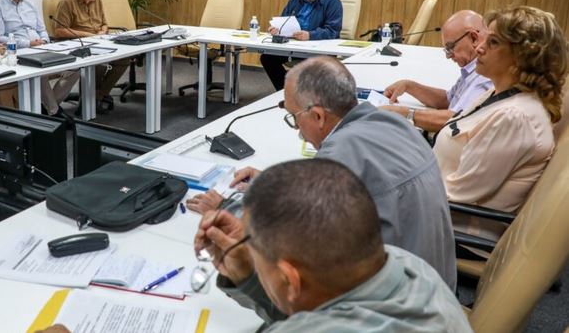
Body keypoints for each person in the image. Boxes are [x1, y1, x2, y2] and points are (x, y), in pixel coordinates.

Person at [187, 56, 456, 290]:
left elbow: (289, 236)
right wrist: (273, 183)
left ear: (317, 116)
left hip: (392, 309)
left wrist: (226, 208)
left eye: (294, 118)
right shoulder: (395, 123)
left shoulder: (339, 158)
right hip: (436, 292)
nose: (297, 130)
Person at [193, 159, 471, 332]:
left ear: (290, 278)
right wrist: (248, 274)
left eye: (256, 256)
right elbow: (311, 307)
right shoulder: (411, 266)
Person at [434, 6, 568, 243]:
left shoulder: (514, 118)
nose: (479, 47)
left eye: (493, 42)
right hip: (439, 209)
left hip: (454, 233)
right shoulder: (500, 93)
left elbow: (456, 195)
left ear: (523, 56)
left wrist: (397, 192)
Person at [0, 0, 80, 117]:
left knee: (76, 67)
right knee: (38, 71)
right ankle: (54, 112)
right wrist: (28, 44)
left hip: (42, 48)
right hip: (19, 53)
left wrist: (44, 40)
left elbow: (42, 29)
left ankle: (48, 106)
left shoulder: (30, 4)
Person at [380, 10, 493, 132]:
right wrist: (409, 86)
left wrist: (406, 114)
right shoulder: (472, 68)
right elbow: (447, 100)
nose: (448, 56)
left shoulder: (485, 74)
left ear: (474, 38)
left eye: (450, 47)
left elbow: (456, 120)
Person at [260, 0, 343, 90]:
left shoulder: (332, 1)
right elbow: (284, 18)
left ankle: (298, 92)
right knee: (268, 58)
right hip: (294, 45)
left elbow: (333, 31)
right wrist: (277, 29)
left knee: (313, 68)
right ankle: (286, 91)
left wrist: (310, 35)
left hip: (317, 49)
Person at [53, 0, 128, 109]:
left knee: (124, 58)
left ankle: (98, 95)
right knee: (100, 63)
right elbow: (59, 31)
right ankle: (91, 101)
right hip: (78, 44)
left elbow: (104, 24)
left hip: (100, 40)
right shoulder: (67, 3)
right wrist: (88, 35)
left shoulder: (97, 0)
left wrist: (102, 32)